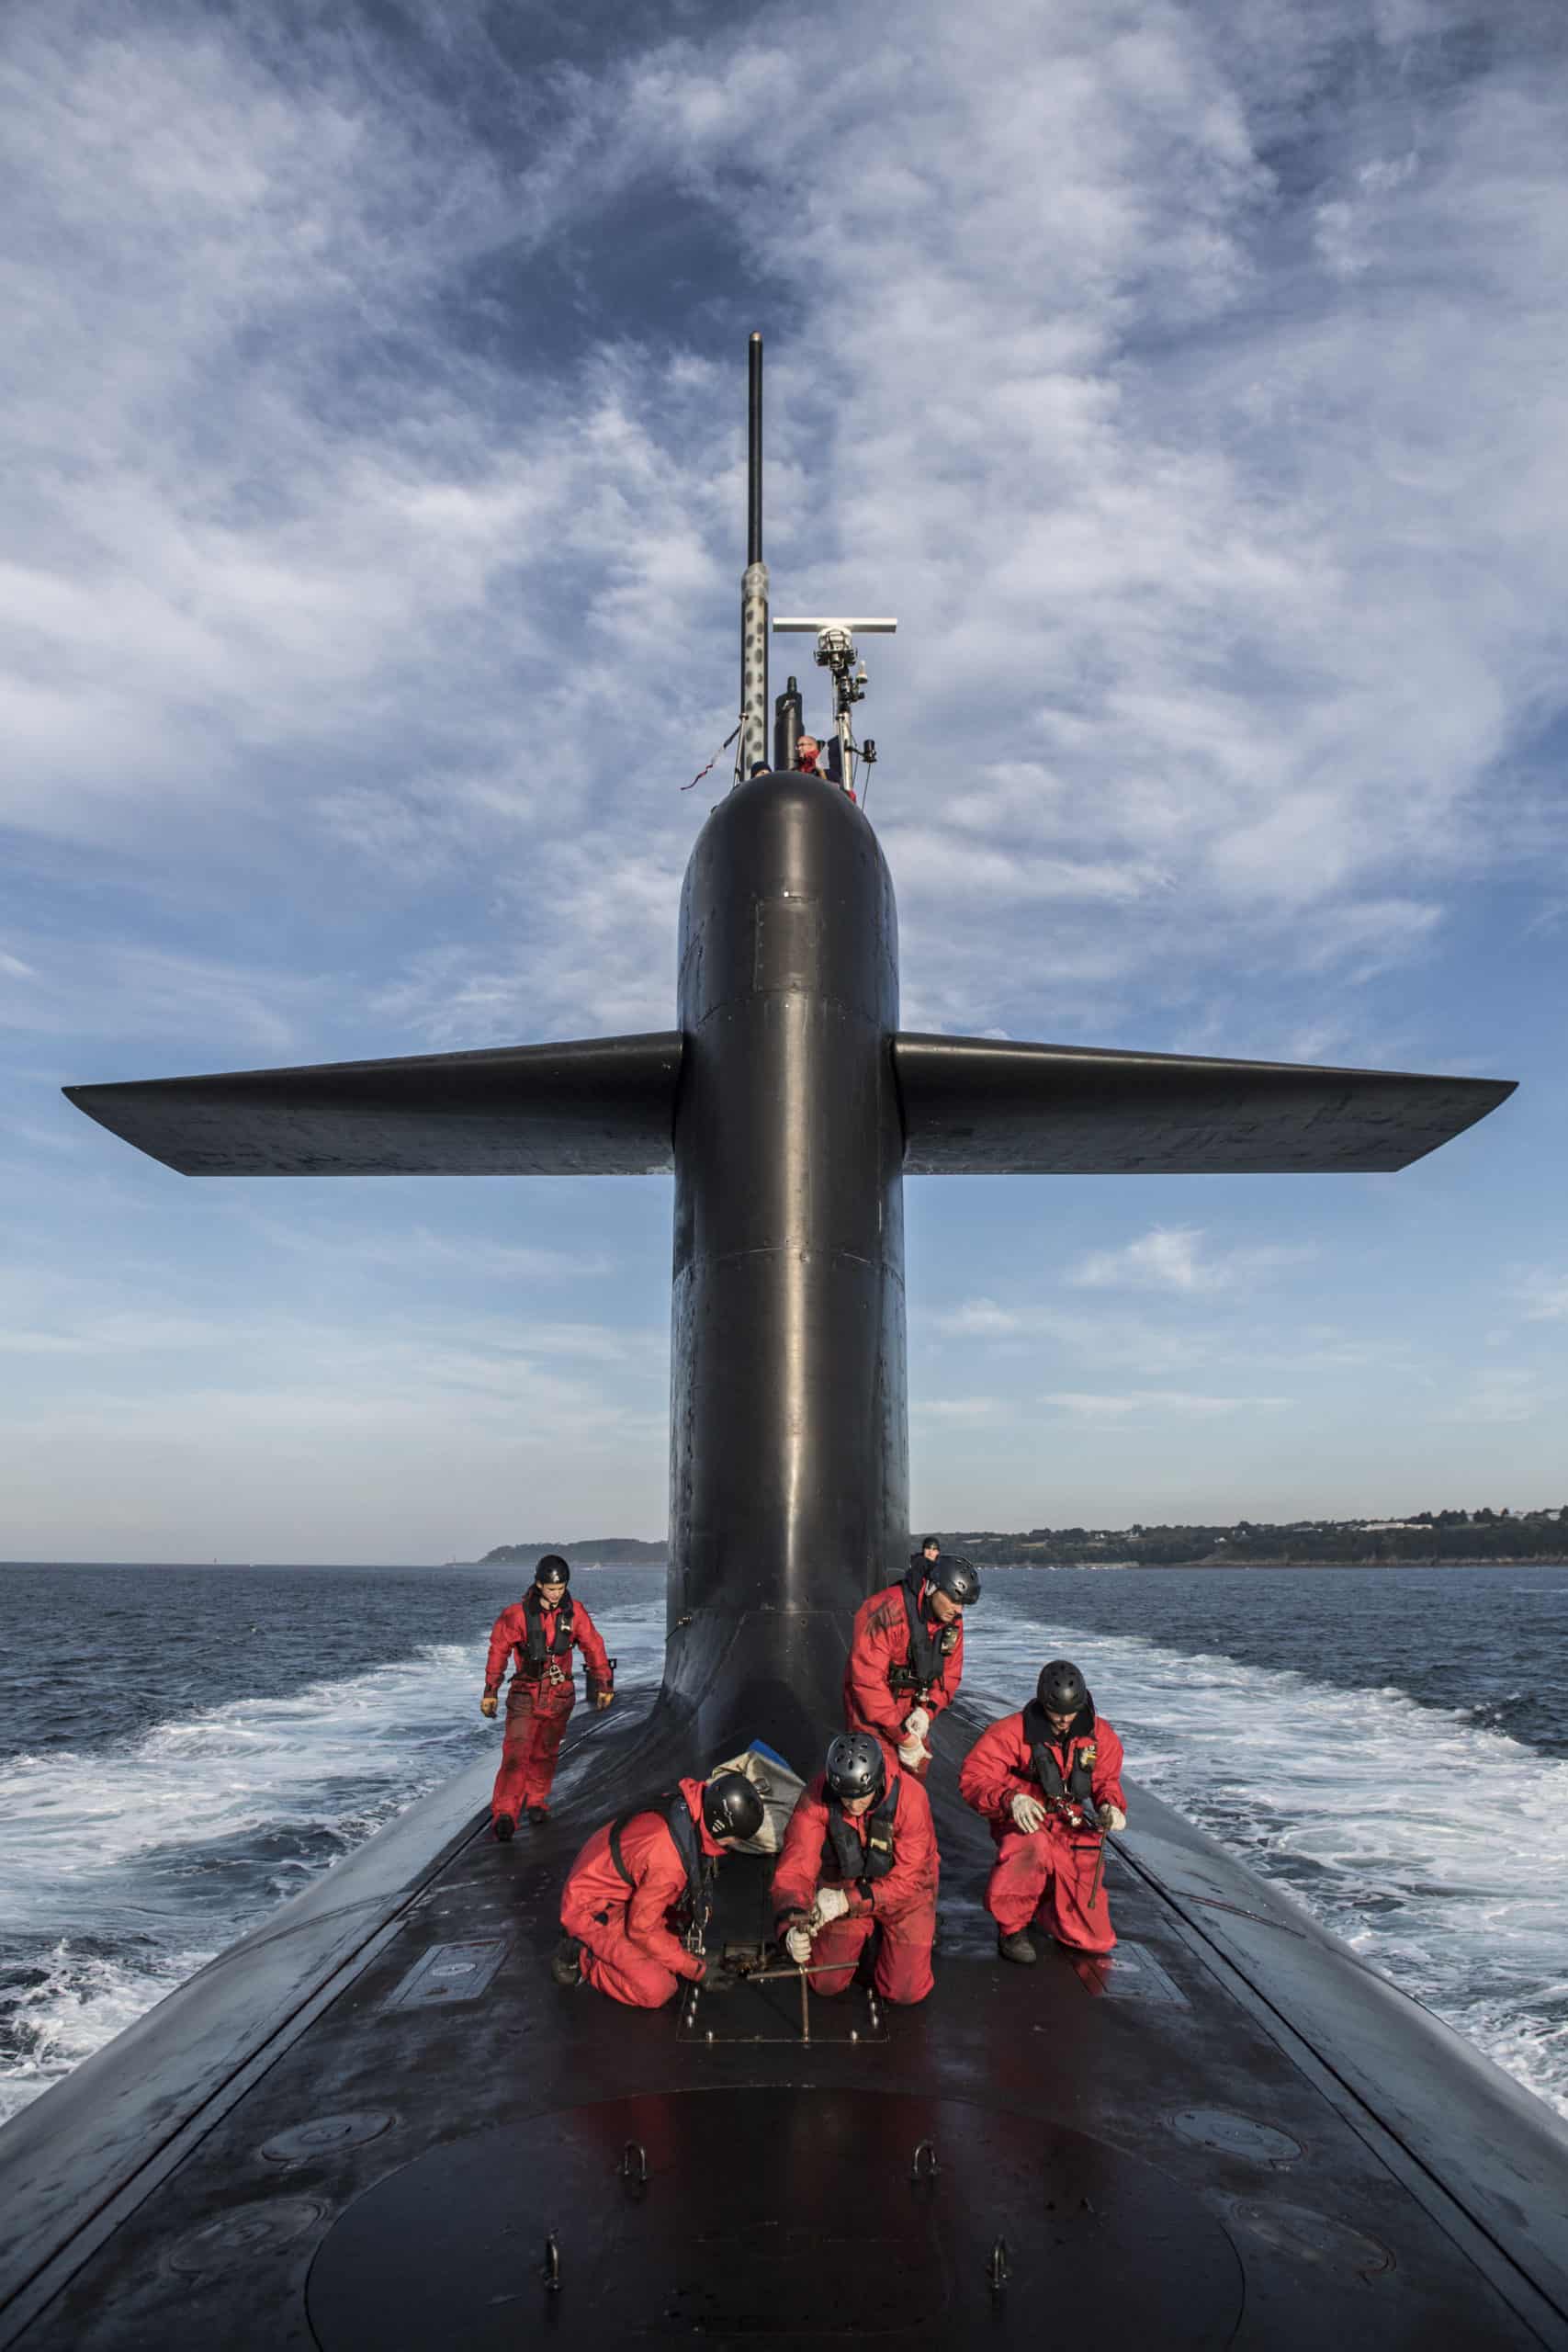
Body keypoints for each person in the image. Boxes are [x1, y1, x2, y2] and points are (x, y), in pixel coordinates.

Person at [958, 1659, 1128, 1962]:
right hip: (1024, 1816)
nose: (1064, 1721)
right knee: (1031, 1849)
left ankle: (1046, 1908)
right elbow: (975, 1777)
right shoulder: (1010, 1732)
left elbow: (1105, 1779)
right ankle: (1012, 1928)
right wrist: (1010, 1799)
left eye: (1070, 1714)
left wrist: (1110, 1805)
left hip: (1068, 1822)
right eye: (1056, 1714)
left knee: (1096, 1941)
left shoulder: (1100, 1735)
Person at [555, 1770, 765, 2007]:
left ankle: (612, 1948)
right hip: (592, 1908)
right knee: (658, 1987)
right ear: (719, 1828)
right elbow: (641, 1929)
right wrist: (697, 1971)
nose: (734, 1845)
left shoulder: (689, 1809)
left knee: (670, 1943)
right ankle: (583, 1954)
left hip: (613, 1884)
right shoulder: (668, 1859)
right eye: (734, 1839)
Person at [772, 1732, 939, 2004]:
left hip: (904, 1896)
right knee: (825, 1983)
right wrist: (790, 1924)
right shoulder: (816, 1798)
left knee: (905, 1992)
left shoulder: (912, 1800)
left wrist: (847, 1902)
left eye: (861, 1796)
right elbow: (795, 1867)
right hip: (846, 1884)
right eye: (845, 1797)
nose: (852, 1805)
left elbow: (910, 1880)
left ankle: (893, 1940)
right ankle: (863, 1934)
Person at [480, 1555, 614, 1837]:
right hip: (525, 1694)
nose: (556, 1594)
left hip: (560, 1696)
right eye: (551, 1589)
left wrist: (604, 1684)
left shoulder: (575, 1613)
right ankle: (505, 1813)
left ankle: (537, 1800)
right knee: (515, 1755)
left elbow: (593, 1646)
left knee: (545, 1753)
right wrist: (490, 1691)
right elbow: (497, 1651)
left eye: (561, 1588)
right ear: (539, 1584)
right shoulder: (515, 1615)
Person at [842, 1539, 981, 1776]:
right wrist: (902, 1737)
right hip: (873, 1715)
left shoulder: (951, 1621)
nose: (958, 1610)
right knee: (880, 1781)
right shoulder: (886, 1610)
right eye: (954, 1600)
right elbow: (868, 1682)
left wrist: (926, 1713)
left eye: (963, 1604)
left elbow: (949, 1676)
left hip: (912, 1709)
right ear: (931, 1587)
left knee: (915, 1780)